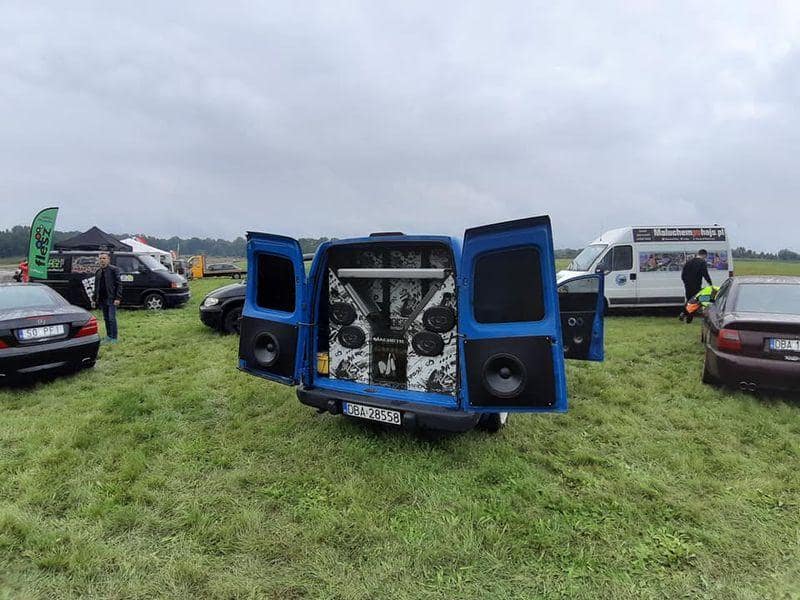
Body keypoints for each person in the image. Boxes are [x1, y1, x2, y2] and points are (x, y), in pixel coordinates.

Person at [93, 253, 122, 342]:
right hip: (102, 298)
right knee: (106, 318)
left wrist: (118, 298)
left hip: (112, 298)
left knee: (111, 318)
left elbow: (119, 284)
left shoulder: (114, 270)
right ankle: (109, 336)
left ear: (108, 259)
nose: (102, 260)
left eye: (104, 258)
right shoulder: (98, 272)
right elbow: (96, 286)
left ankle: (114, 337)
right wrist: (94, 298)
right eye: (100, 258)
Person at [679, 249, 712, 319]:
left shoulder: (689, 262)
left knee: (689, 300)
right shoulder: (702, 262)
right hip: (696, 285)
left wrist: (686, 282)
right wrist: (710, 283)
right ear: (704, 255)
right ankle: (688, 315)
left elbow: (683, 275)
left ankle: (685, 315)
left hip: (688, 285)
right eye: (705, 256)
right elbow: (705, 274)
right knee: (697, 300)